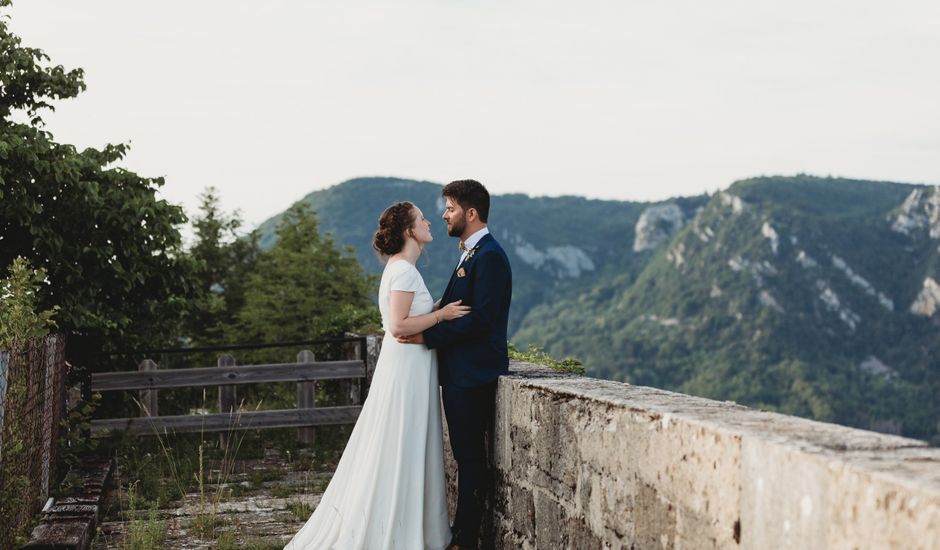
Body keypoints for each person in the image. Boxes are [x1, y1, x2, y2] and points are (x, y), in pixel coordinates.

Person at [285, 201, 469, 550]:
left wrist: (433, 310)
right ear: (409, 231)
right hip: (406, 371)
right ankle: (398, 532)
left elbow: (407, 317)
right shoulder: (403, 272)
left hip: (411, 366)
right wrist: (441, 315)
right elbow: (399, 326)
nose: (430, 222)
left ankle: (410, 527)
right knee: (401, 444)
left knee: (405, 446)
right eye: (422, 219)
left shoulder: (402, 270)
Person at [398, 180, 513, 550]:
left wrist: (426, 336)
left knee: (470, 459)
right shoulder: (472, 254)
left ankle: (464, 540)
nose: (444, 215)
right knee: (466, 457)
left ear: (471, 213)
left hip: (473, 372)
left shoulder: (490, 256)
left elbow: (482, 319)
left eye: (449, 208)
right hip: (461, 371)